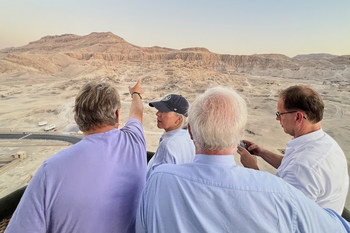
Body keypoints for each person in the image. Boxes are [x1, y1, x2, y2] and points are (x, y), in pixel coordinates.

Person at [136, 86, 350, 233]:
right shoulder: (279, 192)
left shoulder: (158, 180)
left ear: (190, 131)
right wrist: (261, 157)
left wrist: (255, 168)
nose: (277, 118)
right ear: (237, 136)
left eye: (279, 114)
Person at [5, 80, 146, 233]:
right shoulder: (134, 141)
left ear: (77, 119)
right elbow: (136, 113)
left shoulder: (51, 170)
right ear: (117, 115)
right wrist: (136, 94)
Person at [237, 85, 349, 214]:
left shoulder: (304, 167)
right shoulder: (323, 142)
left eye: (280, 113)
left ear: (298, 117)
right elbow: (289, 164)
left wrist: (253, 170)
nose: (277, 118)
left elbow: (279, 213)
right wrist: (262, 152)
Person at [146, 94, 195, 178]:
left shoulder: (167, 146)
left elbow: (159, 181)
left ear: (179, 119)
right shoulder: (190, 138)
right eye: (159, 109)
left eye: (164, 111)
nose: (157, 114)